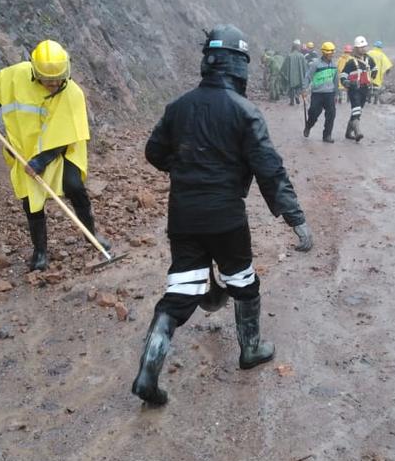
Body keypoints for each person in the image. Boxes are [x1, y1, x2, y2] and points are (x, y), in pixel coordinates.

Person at [131, 24, 313, 406]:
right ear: (239, 66)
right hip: (226, 217)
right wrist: (296, 219)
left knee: (181, 290)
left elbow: (153, 152)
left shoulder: (178, 106)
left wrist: (183, 169)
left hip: (182, 216)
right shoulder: (245, 111)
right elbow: (270, 169)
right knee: (243, 281)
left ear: (208, 62)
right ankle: (250, 349)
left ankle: (149, 369)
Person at [0, 39, 111, 272]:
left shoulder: (72, 94)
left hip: (61, 150)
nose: (53, 84)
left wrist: (40, 162)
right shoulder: (17, 75)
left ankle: (92, 234)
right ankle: (40, 251)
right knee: (31, 201)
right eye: (47, 80)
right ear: (34, 72)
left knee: (74, 186)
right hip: (25, 148)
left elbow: (65, 134)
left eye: (57, 79)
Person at [340, 36, 377, 142]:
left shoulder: (369, 59)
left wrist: (371, 77)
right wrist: (346, 82)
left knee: (358, 110)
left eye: (364, 46)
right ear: (356, 48)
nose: (363, 49)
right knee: (356, 108)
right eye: (360, 47)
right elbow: (343, 75)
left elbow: (375, 68)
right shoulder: (351, 62)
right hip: (354, 89)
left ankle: (348, 133)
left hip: (365, 88)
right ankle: (357, 132)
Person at [303, 42, 338, 141]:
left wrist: (336, 94)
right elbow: (308, 76)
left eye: (332, 52)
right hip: (317, 94)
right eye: (329, 53)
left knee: (331, 113)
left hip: (330, 93)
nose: (331, 54)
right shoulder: (316, 64)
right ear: (324, 53)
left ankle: (327, 135)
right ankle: (308, 126)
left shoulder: (334, 65)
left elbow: (335, 80)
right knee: (313, 112)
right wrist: (304, 89)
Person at [280, 40, 308, 106]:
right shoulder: (301, 56)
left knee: (291, 88)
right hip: (299, 76)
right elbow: (305, 67)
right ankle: (297, 96)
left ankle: (292, 101)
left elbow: (284, 67)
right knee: (298, 87)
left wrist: (284, 74)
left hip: (291, 76)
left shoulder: (289, 56)